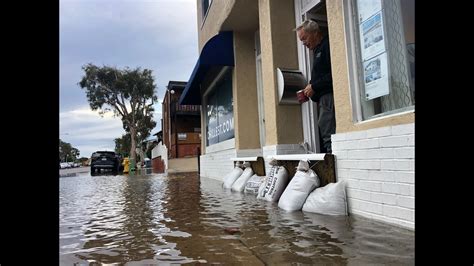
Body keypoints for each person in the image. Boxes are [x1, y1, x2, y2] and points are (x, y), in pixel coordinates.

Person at [296, 19, 336, 153]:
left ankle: (332, 162)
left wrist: (314, 86)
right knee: (325, 129)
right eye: (301, 41)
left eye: (304, 38)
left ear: (315, 33)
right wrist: (311, 87)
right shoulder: (317, 50)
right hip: (322, 99)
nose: (304, 43)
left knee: (328, 132)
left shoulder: (326, 45)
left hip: (328, 97)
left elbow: (335, 73)